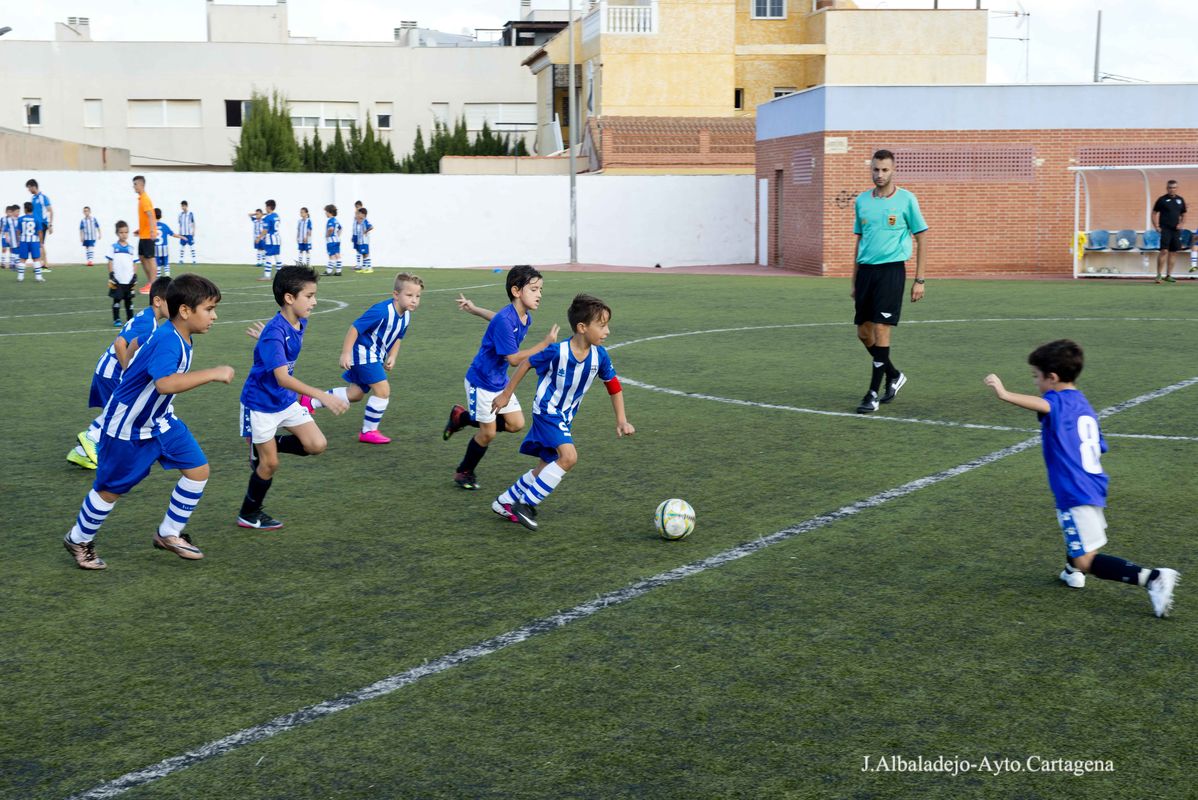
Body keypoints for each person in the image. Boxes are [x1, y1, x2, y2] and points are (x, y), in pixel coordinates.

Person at [983, 339, 1179, 617]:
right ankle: (1071, 571)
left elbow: (1044, 405)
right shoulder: (1081, 401)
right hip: (1093, 484)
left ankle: (1153, 578)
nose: (1035, 382)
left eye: (1036, 377)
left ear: (1052, 377)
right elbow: (1099, 445)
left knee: (1086, 558)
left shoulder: (1056, 402)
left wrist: (1004, 394)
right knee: (1078, 540)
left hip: (1074, 490)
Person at [61, 274, 235, 569]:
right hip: (128, 425)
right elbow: (165, 384)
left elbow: (135, 346)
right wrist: (213, 373)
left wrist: (132, 369)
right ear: (185, 311)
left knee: (198, 470)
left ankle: (168, 533)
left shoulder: (175, 333)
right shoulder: (169, 340)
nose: (214, 316)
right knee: (110, 489)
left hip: (161, 421)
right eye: (209, 309)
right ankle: (78, 538)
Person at [490, 293, 634, 531]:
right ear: (582, 327)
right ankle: (525, 505)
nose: (607, 331)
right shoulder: (558, 351)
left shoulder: (600, 356)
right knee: (569, 457)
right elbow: (526, 363)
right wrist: (506, 394)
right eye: (602, 325)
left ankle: (504, 501)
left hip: (565, 417)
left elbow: (613, 385)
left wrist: (621, 420)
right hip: (547, 411)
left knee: (546, 465)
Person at [237, 266, 348, 530]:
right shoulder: (275, 332)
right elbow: (282, 378)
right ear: (289, 298)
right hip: (260, 404)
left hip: (283, 401)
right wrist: (322, 395)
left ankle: (262, 445)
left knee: (316, 445)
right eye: (309, 296)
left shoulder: (298, 322)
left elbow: (278, 357)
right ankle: (248, 513)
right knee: (269, 464)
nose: (315, 301)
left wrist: (265, 339)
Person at [442, 265, 558, 491]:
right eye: (534, 289)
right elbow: (514, 359)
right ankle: (464, 471)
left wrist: (475, 310)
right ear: (516, 291)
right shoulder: (507, 320)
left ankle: (462, 418)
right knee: (488, 433)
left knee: (516, 423)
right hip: (481, 381)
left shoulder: (523, 318)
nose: (539, 294)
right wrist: (543, 345)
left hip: (498, 380)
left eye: (540, 289)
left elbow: (496, 319)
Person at [300, 273, 423, 444]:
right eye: (409, 295)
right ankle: (368, 431)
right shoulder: (381, 311)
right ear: (396, 295)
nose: (414, 300)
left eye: (417, 296)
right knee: (383, 391)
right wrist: (346, 353)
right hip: (363, 353)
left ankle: (310, 401)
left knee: (355, 394)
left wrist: (393, 356)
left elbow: (398, 337)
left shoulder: (407, 315)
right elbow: (355, 328)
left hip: (376, 356)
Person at [68, 274, 173, 470]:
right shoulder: (148, 323)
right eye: (173, 302)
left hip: (106, 369)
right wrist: (127, 371)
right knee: (126, 412)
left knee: (116, 410)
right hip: (113, 372)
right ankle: (91, 437)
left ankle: (81, 453)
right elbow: (119, 343)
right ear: (158, 301)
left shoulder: (147, 317)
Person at [851, 149, 928, 414]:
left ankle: (872, 393)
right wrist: (854, 279)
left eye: (884, 170)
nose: (879, 174)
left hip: (892, 271)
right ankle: (893, 374)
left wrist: (920, 279)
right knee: (864, 333)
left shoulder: (907, 200)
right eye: (875, 169)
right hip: (866, 273)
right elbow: (859, 241)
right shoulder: (862, 201)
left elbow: (922, 237)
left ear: (893, 170)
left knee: (882, 329)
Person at [1151, 179, 1186, 284]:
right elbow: (1154, 213)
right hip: (1165, 229)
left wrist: (1181, 224)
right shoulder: (1161, 200)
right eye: (1170, 188)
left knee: (1173, 252)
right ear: (1167, 188)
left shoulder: (1180, 200)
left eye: (1174, 187)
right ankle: (1159, 275)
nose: (1172, 189)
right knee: (1164, 251)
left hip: (1176, 231)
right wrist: (1156, 226)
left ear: (1177, 188)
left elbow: (1184, 214)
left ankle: (1169, 275)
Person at [108, 220, 139, 327]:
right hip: (117, 280)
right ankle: (116, 319)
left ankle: (130, 319)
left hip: (128, 279)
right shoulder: (113, 247)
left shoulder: (131, 249)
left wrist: (134, 275)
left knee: (129, 301)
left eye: (126, 232)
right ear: (117, 233)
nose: (124, 234)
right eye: (121, 232)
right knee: (116, 300)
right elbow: (110, 261)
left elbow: (135, 263)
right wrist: (111, 274)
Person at [133, 175, 157, 293]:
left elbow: (151, 215)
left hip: (148, 235)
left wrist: (153, 231)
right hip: (143, 234)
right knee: (142, 257)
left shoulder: (145, 199)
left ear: (142, 185)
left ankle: (153, 284)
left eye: (135, 184)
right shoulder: (141, 199)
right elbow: (146, 218)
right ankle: (150, 282)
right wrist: (139, 229)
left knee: (150, 259)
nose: (134, 187)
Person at [26, 178, 53, 270]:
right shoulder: (33, 198)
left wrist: (50, 224)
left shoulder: (43, 197)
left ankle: (44, 265)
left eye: (29, 188)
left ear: (34, 187)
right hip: (35, 225)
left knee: (40, 244)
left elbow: (50, 211)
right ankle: (42, 264)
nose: (28, 190)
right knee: (38, 244)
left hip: (42, 224)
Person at [15, 201, 44, 283]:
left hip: (24, 241)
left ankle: (20, 277)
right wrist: (41, 243)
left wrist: (18, 241)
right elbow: (40, 232)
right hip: (34, 241)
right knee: (36, 259)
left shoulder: (20, 219)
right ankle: (38, 277)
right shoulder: (37, 219)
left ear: (25, 209)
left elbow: (18, 231)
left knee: (22, 259)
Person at [154, 208, 182, 278]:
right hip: (164, 248)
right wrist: (181, 237)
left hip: (156, 248)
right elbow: (173, 234)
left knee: (158, 264)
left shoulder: (151, 226)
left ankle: (158, 278)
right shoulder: (164, 226)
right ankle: (167, 277)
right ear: (161, 216)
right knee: (166, 263)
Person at [353, 206, 374, 274]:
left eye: (359, 213)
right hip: (360, 241)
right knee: (363, 254)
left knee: (366, 254)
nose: (358, 215)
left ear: (363, 214)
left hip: (364, 241)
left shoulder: (365, 221)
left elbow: (371, 227)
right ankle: (364, 268)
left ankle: (369, 268)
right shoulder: (360, 222)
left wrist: (366, 231)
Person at [323, 204, 342, 276]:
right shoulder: (336, 220)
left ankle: (329, 271)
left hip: (331, 241)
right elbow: (340, 228)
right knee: (337, 255)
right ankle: (338, 271)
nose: (325, 213)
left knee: (331, 256)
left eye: (326, 212)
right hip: (337, 240)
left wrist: (327, 235)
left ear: (329, 212)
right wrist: (337, 235)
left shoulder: (330, 220)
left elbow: (331, 229)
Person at [177, 200, 197, 265]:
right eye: (182, 206)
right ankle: (181, 260)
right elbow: (180, 224)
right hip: (182, 234)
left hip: (189, 234)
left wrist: (193, 231)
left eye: (184, 206)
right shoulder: (180, 215)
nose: (182, 207)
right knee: (181, 247)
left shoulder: (190, 214)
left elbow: (193, 223)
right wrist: (179, 232)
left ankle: (194, 260)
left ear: (186, 206)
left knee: (192, 247)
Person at [2, 205, 19, 269]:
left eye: (11, 212)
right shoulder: (4, 219)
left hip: (14, 238)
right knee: (4, 249)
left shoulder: (17, 219)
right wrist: (5, 236)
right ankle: (3, 263)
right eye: (8, 212)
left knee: (13, 250)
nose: (10, 213)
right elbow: (3, 228)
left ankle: (12, 263)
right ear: (6, 212)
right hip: (6, 237)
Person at [350, 200, 364, 271]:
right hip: (355, 234)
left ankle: (362, 265)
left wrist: (357, 215)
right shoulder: (356, 214)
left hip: (360, 235)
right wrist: (353, 235)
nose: (356, 208)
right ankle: (358, 264)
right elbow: (354, 225)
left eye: (357, 207)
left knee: (361, 249)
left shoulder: (362, 214)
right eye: (356, 207)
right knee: (357, 250)